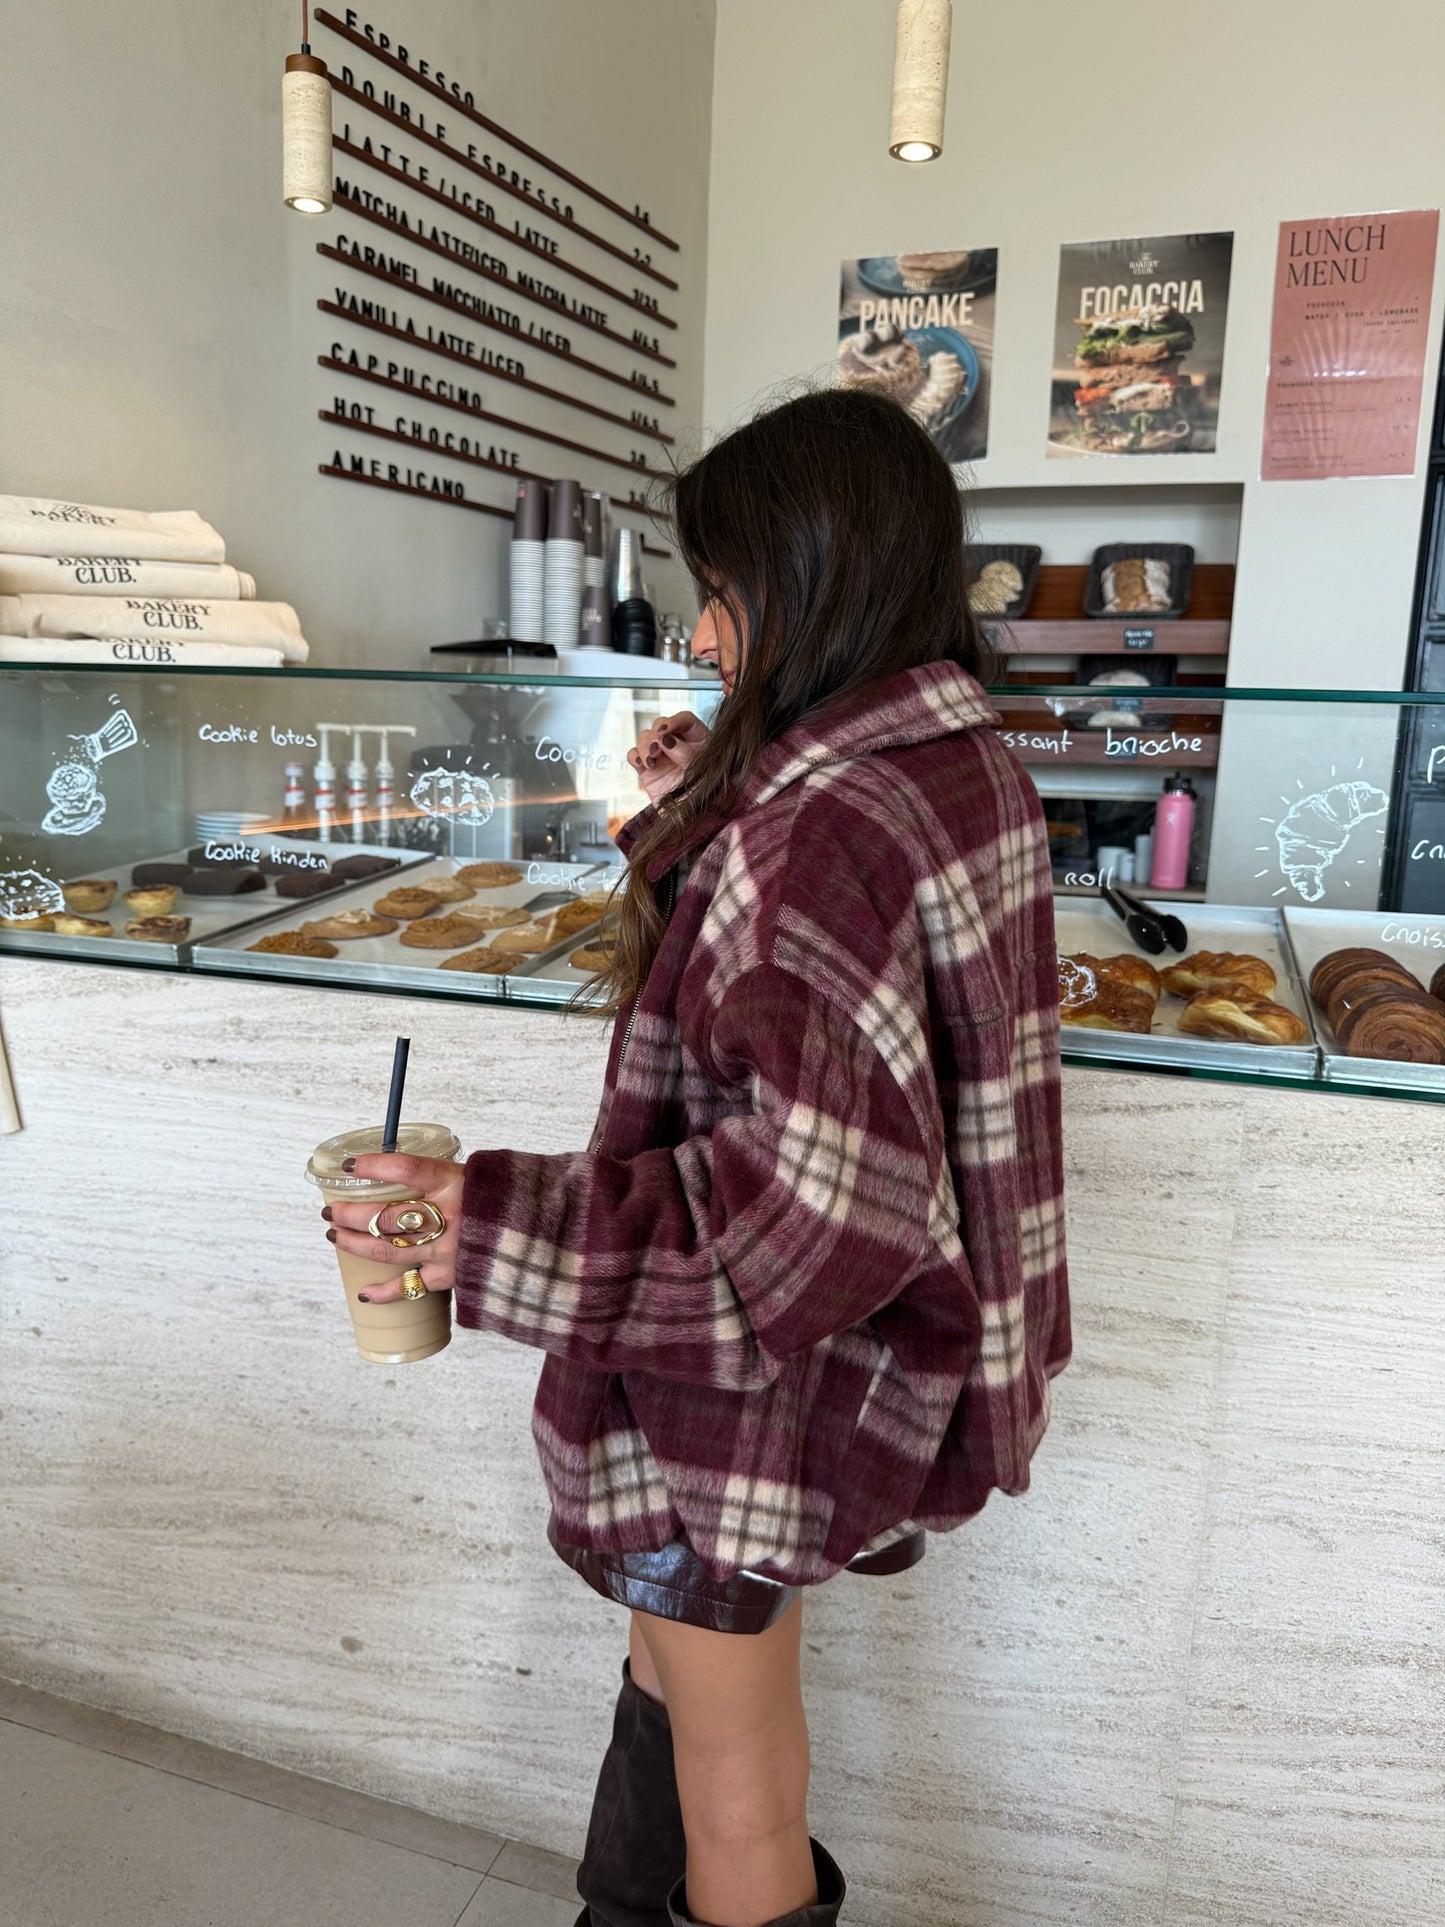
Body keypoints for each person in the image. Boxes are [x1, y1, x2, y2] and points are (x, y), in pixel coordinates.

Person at [322, 387, 1071, 1927]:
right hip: (824, 1378)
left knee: (741, 1802)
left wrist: (478, 1223)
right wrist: (698, 818)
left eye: (721, 594)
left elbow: (809, 1221)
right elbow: (833, 1013)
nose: (707, 639)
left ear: (807, 580)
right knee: (670, 1671)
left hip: (748, 1397)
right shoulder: (951, 760)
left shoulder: (819, 826)